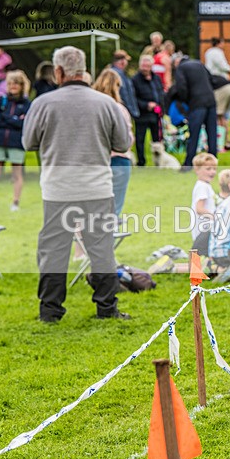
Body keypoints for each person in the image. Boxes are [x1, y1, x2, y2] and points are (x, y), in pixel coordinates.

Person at [22, 46, 132, 323]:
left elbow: (28, 143)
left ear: (58, 72)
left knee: (54, 250)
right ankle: (107, 308)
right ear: (84, 70)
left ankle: (50, 311)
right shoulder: (106, 103)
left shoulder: (43, 103)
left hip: (58, 189)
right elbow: (123, 144)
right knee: (101, 248)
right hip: (97, 187)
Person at [0, 70, 31, 212]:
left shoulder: (27, 104)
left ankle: (15, 203)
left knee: (17, 174)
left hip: (16, 142)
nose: (13, 86)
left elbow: (24, 124)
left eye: (16, 83)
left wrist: (8, 120)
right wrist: (14, 120)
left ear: (22, 85)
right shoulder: (2, 101)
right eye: (10, 83)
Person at [92, 68, 135, 217]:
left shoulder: (92, 108)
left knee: (94, 211)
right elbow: (127, 140)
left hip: (96, 162)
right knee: (113, 211)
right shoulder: (119, 109)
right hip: (119, 160)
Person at [167, 53, 218, 170]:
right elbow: (212, 79)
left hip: (196, 103)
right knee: (212, 133)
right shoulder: (199, 63)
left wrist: (185, 101)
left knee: (194, 134)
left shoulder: (181, 68)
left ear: (176, 62)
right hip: (211, 100)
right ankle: (213, 162)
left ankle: (188, 163)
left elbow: (181, 87)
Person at [132, 55, 165, 167]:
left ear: (151, 66)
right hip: (142, 114)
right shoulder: (135, 80)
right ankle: (141, 162)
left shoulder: (156, 78)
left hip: (156, 114)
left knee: (157, 139)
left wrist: (161, 106)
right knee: (140, 139)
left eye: (147, 66)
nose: (145, 68)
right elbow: (133, 98)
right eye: (143, 65)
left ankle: (159, 162)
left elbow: (161, 93)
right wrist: (146, 105)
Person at [190, 152, 218, 256]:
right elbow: (199, 208)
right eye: (208, 169)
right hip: (204, 230)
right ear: (197, 170)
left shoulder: (204, 185)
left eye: (214, 169)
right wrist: (216, 218)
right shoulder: (202, 187)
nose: (212, 172)